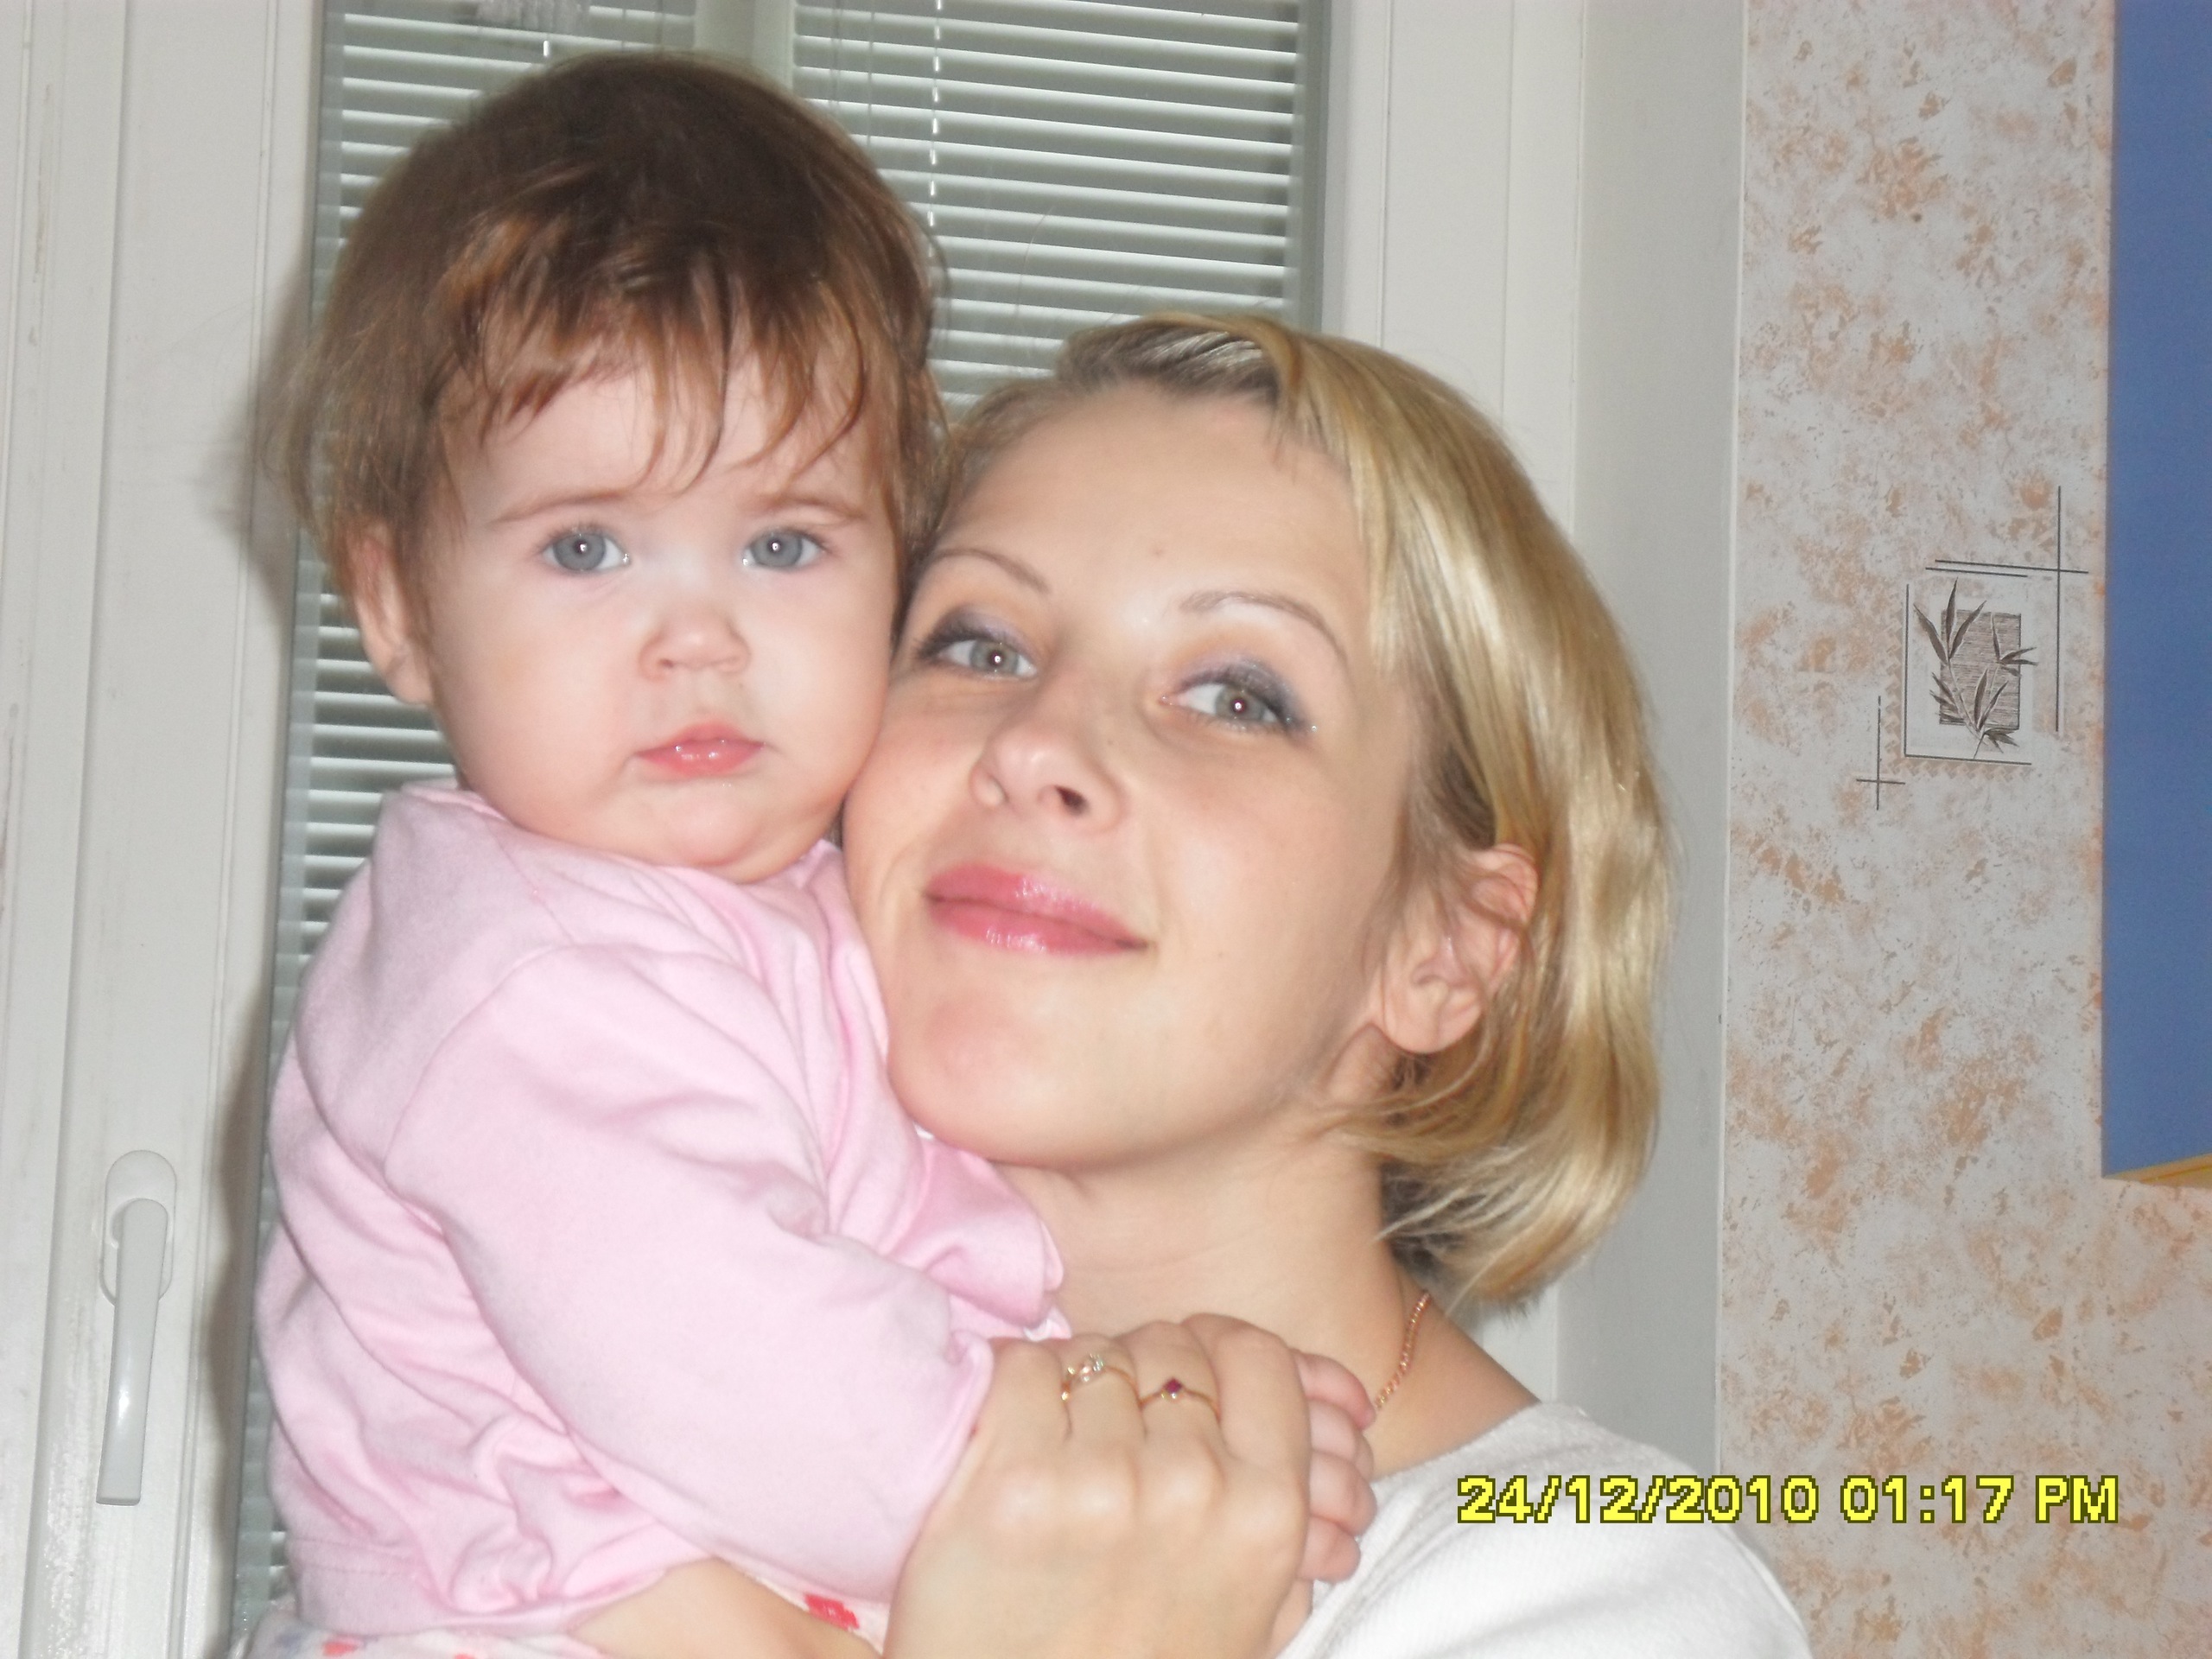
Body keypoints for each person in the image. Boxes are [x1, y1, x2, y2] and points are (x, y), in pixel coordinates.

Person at [249, 57, 1370, 1659]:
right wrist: (1102, 1446)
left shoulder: (783, 916)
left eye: (783, 544)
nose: (699, 638)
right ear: (399, 610)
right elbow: (734, 1357)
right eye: (586, 546)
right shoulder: (518, 966)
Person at [604, 313, 1812, 1657]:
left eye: (1238, 697)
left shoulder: (1603, 1602)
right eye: (981, 646)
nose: (1037, 744)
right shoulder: (641, 1415)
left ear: (1445, 945)